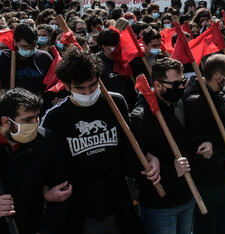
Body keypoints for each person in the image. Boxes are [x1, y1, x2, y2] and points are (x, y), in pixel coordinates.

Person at [41, 48, 153, 233]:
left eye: (92, 85)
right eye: (80, 88)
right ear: (67, 86)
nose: (87, 93)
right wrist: (46, 190)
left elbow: (129, 144)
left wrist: (149, 158)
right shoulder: (54, 118)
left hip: (117, 195)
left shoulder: (115, 103)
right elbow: (45, 161)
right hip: (80, 202)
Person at [131, 58, 204, 234]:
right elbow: (135, 167)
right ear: (158, 85)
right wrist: (170, 171)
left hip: (187, 196)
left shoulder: (178, 103)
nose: (182, 87)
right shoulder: (140, 117)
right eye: (175, 84)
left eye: (183, 81)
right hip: (160, 206)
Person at [183, 54, 225, 234]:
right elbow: (197, 149)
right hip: (208, 183)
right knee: (208, 228)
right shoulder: (195, 103)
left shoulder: (217, 95)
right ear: (220, 77)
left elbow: (216, 131)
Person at [0, 88, 71, 233]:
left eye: (36, 117)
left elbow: (61, 192)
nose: (34, 124)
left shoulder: (45, 140)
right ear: (6, 121)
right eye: (27, 120)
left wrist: (46, 230)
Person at [0, 23, 53, 96]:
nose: (29, 50)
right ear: (15, 42)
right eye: (24, 47)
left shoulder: (45, 58)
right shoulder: (4, 59)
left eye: (33, 46)